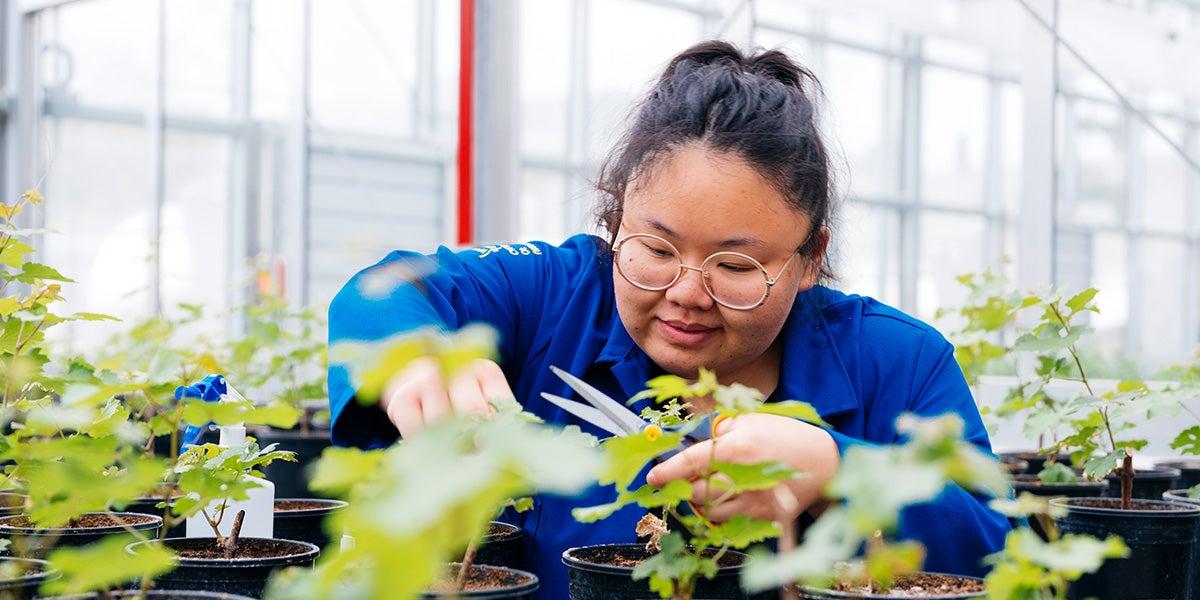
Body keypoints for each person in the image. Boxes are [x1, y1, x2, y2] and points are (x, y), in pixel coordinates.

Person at [328, 40, 1009, 597]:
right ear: (615, 215)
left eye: (736, 268)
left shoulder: (898, 362)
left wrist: (838, 474)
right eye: (654, 249)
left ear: (810, 258)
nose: (687, 292)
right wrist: (418, 357)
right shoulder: (554, 296)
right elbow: (380, 290)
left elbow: (1003, 551)